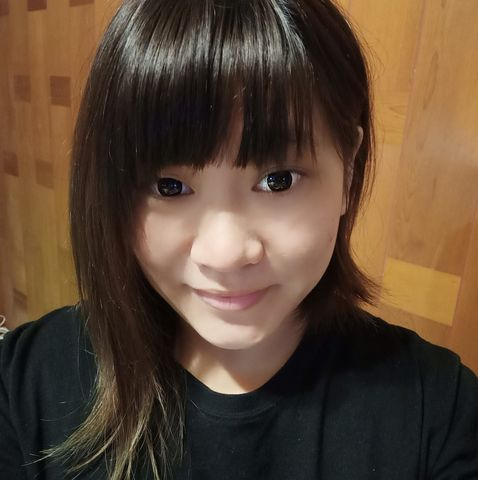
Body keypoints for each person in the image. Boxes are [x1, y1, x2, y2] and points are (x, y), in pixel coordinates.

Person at [1, 0, 477, 478]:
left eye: (278, 181)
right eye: (169, 187)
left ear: (349, 169)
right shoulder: (24, 385)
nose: (225, 254)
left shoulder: (439, 413)